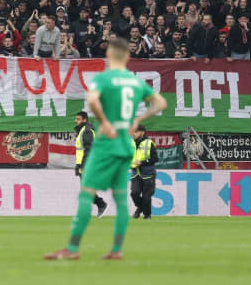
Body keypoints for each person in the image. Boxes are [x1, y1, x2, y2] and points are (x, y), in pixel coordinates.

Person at [45, 37, 167, 261]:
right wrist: (138, 120)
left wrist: (104, 121)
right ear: (128, 57)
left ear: (109, 56)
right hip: (125, 145)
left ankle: (72, 249)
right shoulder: (135, 82)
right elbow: (160, 103)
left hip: (105, 144)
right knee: (121, 199)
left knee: (86, 193)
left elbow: (92, 101)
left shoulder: (104, 78)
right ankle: (117, 249)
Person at [73, 111, 108, 217]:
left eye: (78, 119)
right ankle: (99, 204)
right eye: (76, 119)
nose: (76, 121)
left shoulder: (87, 131)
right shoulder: (83, 130)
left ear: (84, 120)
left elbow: (89, 150)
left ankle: (100, 204)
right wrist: (79, 165)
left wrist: (83, 166)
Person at [130, 125, 158, 219]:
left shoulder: (149, 143)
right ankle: (140, 207)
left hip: (148, 173)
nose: (133, 134)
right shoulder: (130, 143)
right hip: (135, 173)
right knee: (134, 193)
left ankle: (147, 215)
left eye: (135, 132)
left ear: (142, 132)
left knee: (146, 197)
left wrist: (141, 163)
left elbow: (155, 158)